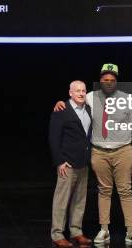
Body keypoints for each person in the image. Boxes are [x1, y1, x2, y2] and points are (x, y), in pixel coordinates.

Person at [54, 64, 132, 246]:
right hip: (99, 152)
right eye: (105, 80)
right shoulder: (90, 97)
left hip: (123, 150)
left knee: (125, 191)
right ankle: (104, 230)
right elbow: (74, 100)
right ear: (100, 81)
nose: (108, 83)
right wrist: (60, 102)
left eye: (112, 80)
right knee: (104, 191)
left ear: (116, 81)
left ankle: (131, 231)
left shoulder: (127, 99)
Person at [49, 81, 93, 247]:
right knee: (61, 200)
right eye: (77, 91)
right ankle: (57, 234)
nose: (81, 93)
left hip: (83, 163)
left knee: (79, 201)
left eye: (83, 90)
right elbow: (53, 138)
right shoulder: (62, 110)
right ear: (70, 93)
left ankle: (76, 232)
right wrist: (59, 161)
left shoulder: (88, 109)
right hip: (67, 164)